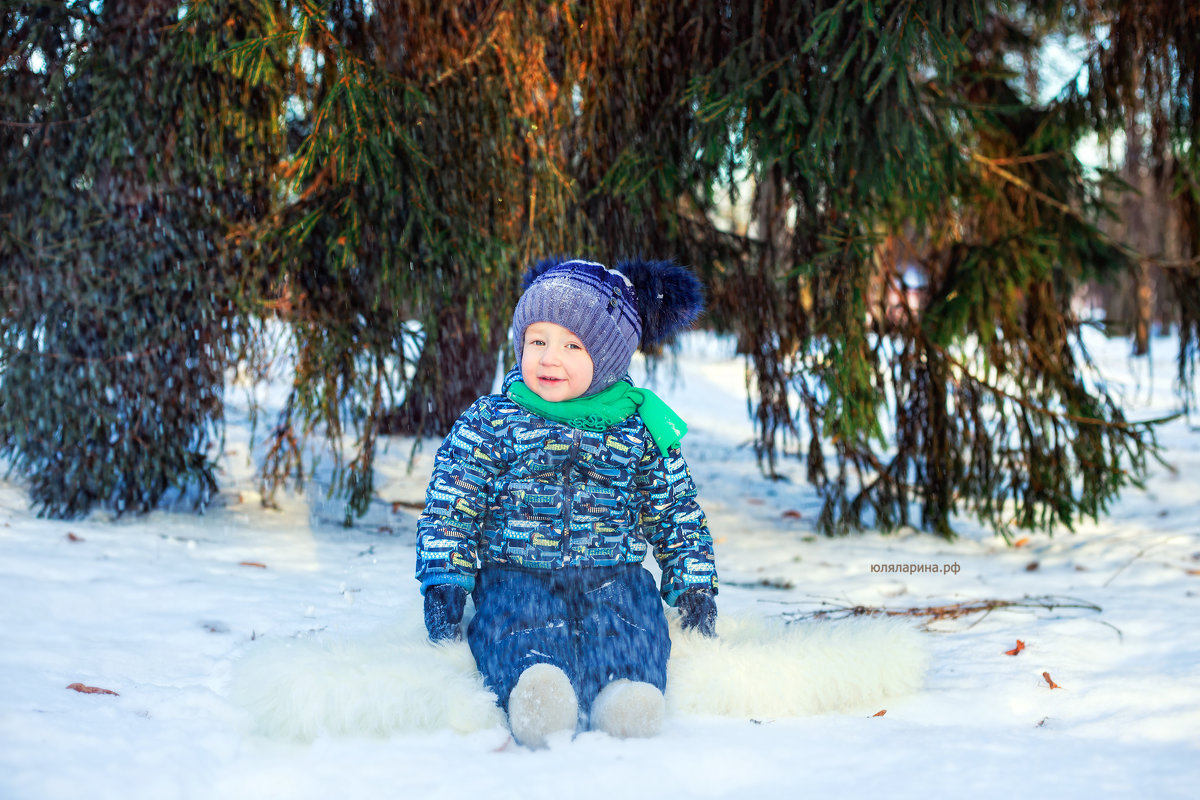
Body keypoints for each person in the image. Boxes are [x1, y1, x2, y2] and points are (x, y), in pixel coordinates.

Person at [416, 257, 718, 748]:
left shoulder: (641, 431)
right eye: (537, 341)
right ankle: (535, 690)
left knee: (632, 624)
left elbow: (676, 513)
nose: (548, 358)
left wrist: (693, 585)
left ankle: (624, 693)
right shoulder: (492, 422)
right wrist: (445, 579)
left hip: (613, 577)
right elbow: (453, 505)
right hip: (516, 573)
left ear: (610, 358)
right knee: (516, 625)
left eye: (571, 346)